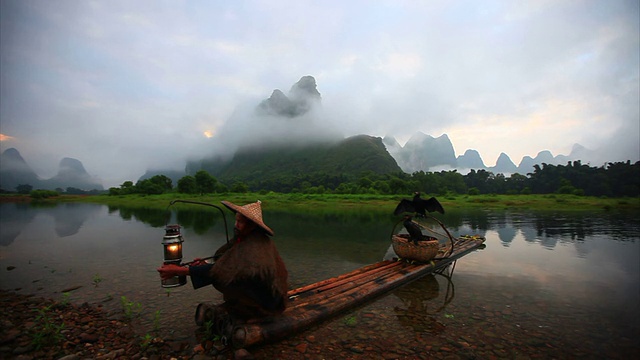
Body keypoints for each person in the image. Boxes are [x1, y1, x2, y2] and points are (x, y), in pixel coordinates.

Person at [157, 200, 289, 321]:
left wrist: (180, 271)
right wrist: (204, 265)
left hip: (268, 303)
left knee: (223, 278)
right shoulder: (244, 237)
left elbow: (226, 271)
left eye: (241, 222)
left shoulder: (255, 245)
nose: (236, 225)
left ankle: (253, 310)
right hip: (264, 294)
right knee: (217, 273)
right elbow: (228, 261)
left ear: (252, 226)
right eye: (236, 220)